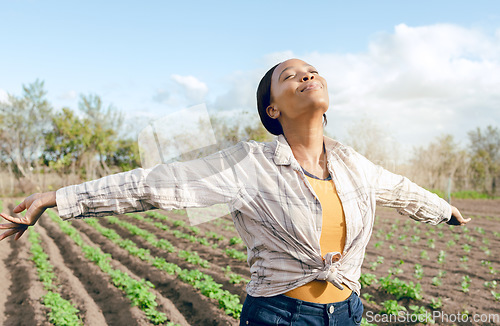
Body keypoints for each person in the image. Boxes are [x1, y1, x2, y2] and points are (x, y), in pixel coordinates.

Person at [0, 58, 470, 326]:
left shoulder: (352, 163)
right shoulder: (249, 163)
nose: (307, 76)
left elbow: (401, 190)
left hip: (348, 313)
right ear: (272, 108)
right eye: (291, 76)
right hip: (280, 317)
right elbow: (155, 184)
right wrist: (58, 198)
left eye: (312, 71)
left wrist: (445, 211)